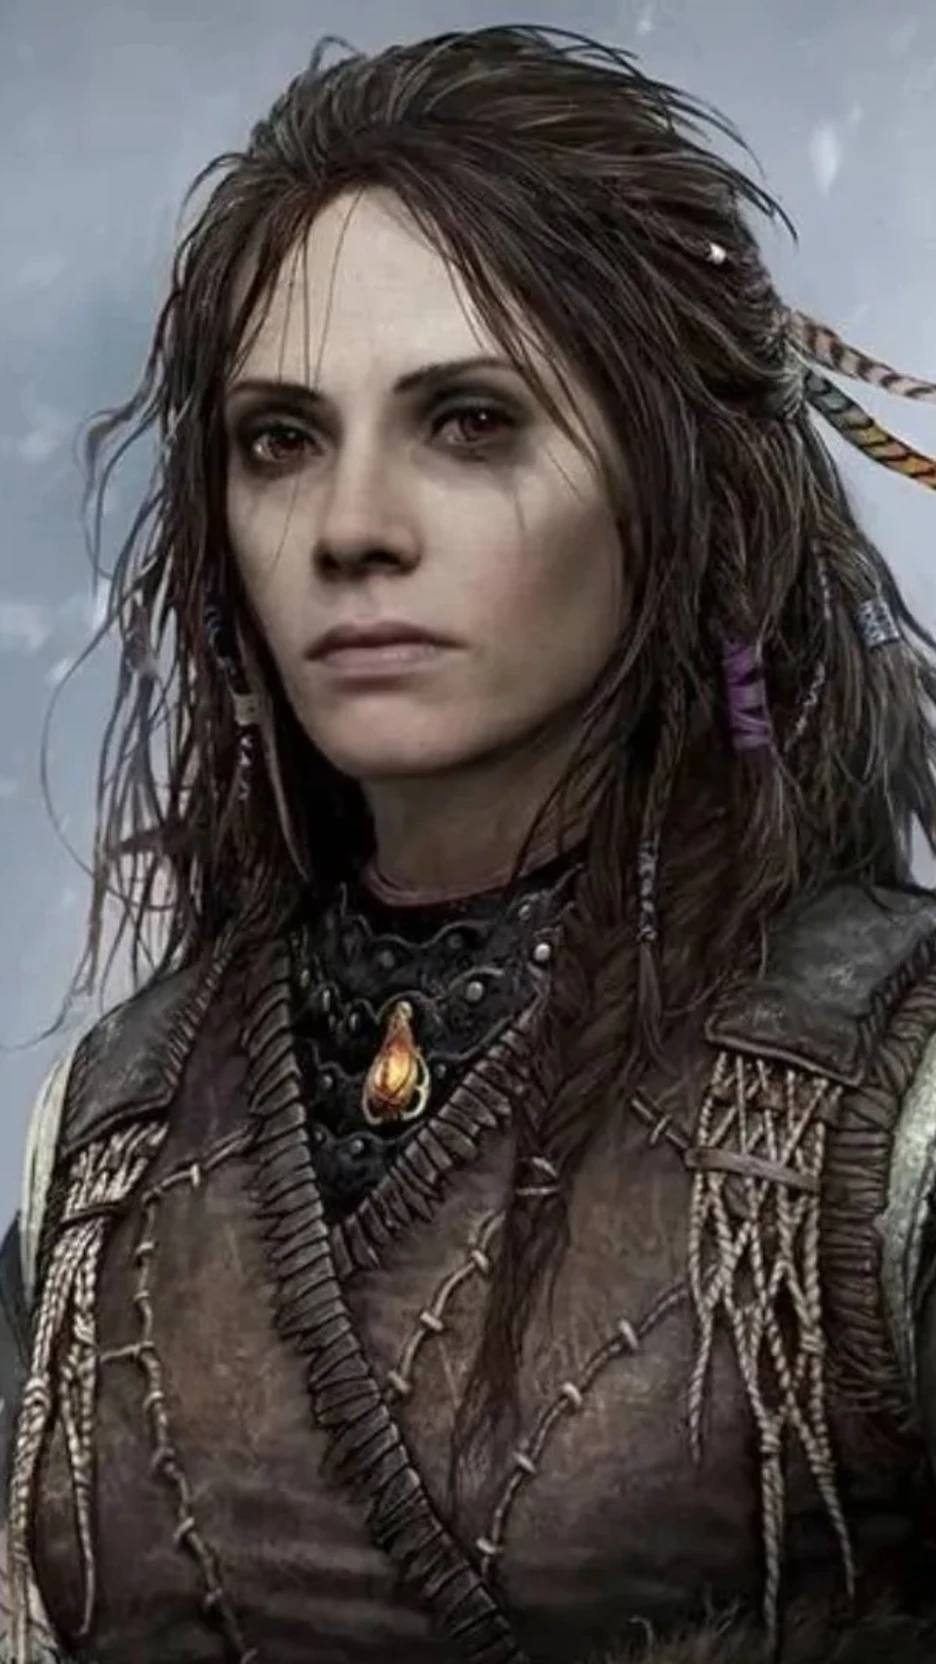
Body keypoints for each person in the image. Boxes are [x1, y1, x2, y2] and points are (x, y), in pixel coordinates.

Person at [3, 21, 936, 1664]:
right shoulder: (108, 1137)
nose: (352, 527)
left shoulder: (897, 1091)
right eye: (281, 439)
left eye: (471, 421)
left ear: (673, 489)